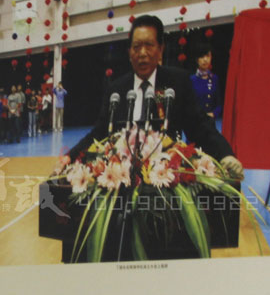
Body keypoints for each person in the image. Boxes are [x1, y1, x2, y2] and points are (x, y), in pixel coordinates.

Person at [67, 16, 243, 178]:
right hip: (122, 177)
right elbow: (99, 132)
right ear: (129, 52)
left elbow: (200, 125)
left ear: (160, 49)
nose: (142, 53)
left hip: (165, 177)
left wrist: (225, 154)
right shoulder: (117, 90)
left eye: (149, 45)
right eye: (136, 47)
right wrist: (69, 157)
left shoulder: (176, 83)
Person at [190, 50, 218, 119]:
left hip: (210, 120)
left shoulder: (214, 79)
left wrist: (214, 113)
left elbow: (219, 103)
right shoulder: (191, 79)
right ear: (197, 59)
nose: (205, 60)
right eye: (202, 57)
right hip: (195, 120)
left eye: (208, 56)